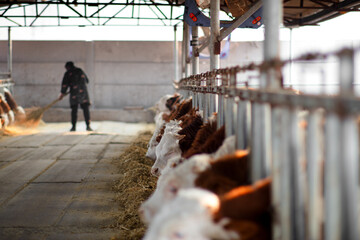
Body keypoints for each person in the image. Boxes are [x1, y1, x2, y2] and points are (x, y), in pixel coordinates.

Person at [59, 61, 93, 131]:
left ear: (67, 67)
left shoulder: (68, 73)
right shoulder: (80, 71)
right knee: (86, 110)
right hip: (83, 93)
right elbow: (87, 80)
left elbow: (64, 84)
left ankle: (73, 127)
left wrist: (62, 93)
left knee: (74, 110)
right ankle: (88, 126)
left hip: (74, 94)